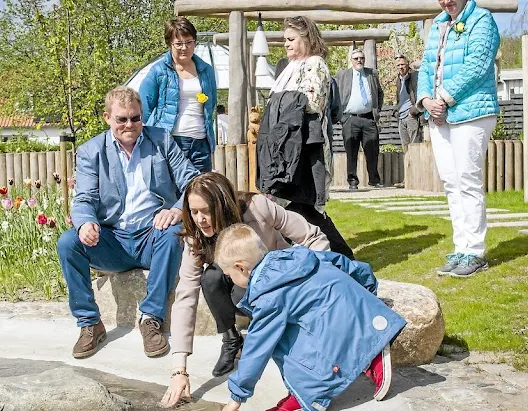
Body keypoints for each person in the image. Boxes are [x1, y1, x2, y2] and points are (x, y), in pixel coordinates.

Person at [160, 172, 331, 408]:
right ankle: (231, 339)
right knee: (210, 278)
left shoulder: (258, 207)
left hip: (274, 286)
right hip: (237, 286)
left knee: (245, 293)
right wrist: (179, 370)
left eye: (206, 211)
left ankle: (274, 341)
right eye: (194, 212)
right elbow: (185, 295)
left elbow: (313, 236)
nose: (200, 219)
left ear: (222, 205)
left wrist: (318, 279)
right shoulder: (196, 236)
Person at [57, 86, 199, 360]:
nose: (130, 125)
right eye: (122, 119)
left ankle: (151, 319)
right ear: (107, 117)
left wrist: (177, 209)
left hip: (152, 235)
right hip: (112, 240)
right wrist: (85, 222)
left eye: (135, 118)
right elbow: (84, 198)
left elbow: (192, 182)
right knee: (68, 242)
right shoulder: (91, 152)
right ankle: (89, 323)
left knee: (173, 233)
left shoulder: (162, 141)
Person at [215, 224, 406, 411]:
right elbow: (343, 263)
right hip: (364, 318)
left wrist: (236, 397)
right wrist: (369, 289)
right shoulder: (296, 255)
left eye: (229, 275)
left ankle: (311, 391)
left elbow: (257, 348)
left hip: (339, 330)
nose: (231, 281)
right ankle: (366, 351)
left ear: (240, 268)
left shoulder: (268, 296)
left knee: (280, 340)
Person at [258, 15, 355, 260]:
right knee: (295, 207)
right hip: (286, 149)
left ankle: (345, 259)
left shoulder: (315, 64)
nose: (286, 44)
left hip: (306, 150)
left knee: (305, 207)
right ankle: (324, 259)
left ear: (307, 38)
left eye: (291, 39)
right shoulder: (287, 68)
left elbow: (310, 103)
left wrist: (278, 106)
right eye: (285, 40)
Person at [416, 0, 500, 277]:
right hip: (439, 114)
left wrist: (442, 97)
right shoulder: (439, 23)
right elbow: (427, 68)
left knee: (467, 180)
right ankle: (460, 247)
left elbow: (477, 65)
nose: (446, 0)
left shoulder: (482, 19)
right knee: (451, 183)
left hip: (472, 111)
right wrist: (426, 99)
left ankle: (475, 251)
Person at [139, 17, 217, 173]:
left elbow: (212, 103)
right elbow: (143, 106)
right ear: (169, 44)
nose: (184, 48)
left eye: (189, 42)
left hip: (201, 142)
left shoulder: (206, 70)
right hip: (170, 141)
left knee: (203, 192)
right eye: (179, 44)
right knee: (172, 192)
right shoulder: (159, 71)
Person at [335, 48, 384, 190]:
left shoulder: (372, 74)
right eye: (356, 58)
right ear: (351, 60)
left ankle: (374, 180)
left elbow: (380, 93)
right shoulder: (343, 75)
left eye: (361, 58)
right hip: (350, 119)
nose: (359, 60)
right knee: (351, 152)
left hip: (369, 119)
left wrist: (376, 111)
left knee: (373, 151)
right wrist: (342, 117)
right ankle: (352, 181)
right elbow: (335, 95)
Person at [394, 54, 422, 153]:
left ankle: (416, 168)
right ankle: (409, 168)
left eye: (402, 64)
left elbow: (421, 95)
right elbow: (399, 99)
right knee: (405, 149)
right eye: (398, 65)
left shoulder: (415, 76)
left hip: (411, 116)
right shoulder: (398, 80)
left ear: (407, 64)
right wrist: (396, 112)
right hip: (401, 118)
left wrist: (413, 111)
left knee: (415, 147)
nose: (400, 67)